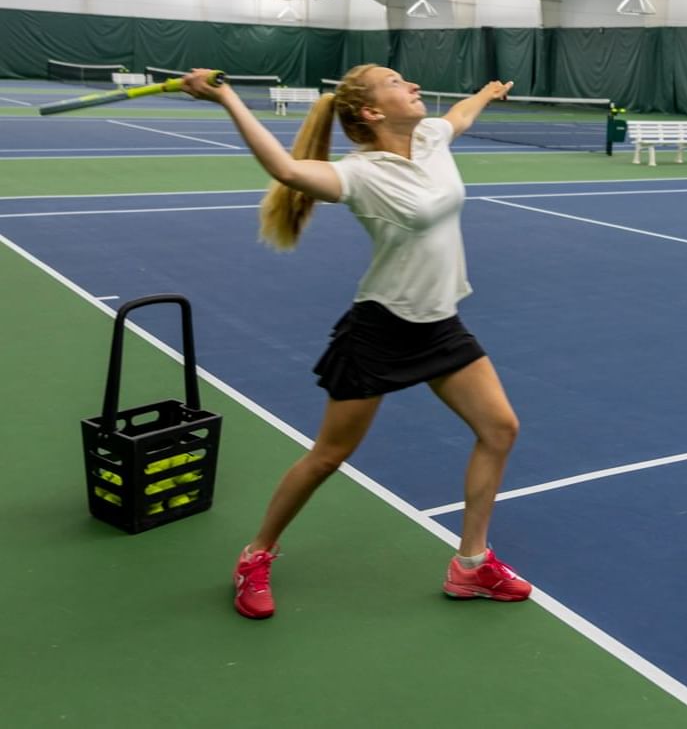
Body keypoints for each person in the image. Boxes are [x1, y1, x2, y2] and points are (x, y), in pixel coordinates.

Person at [181, 64, 532, 618]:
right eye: (397, 83)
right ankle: (256, 555)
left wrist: (486, 92)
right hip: (382, 330)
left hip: (440, 323)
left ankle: (470, 566)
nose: (414, 85)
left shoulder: (432, 138)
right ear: (371, 112)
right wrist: (226, 97)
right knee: (328, 457)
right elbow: (285, 169)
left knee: (500, 429)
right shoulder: (359, 174)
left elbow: (460, 116)